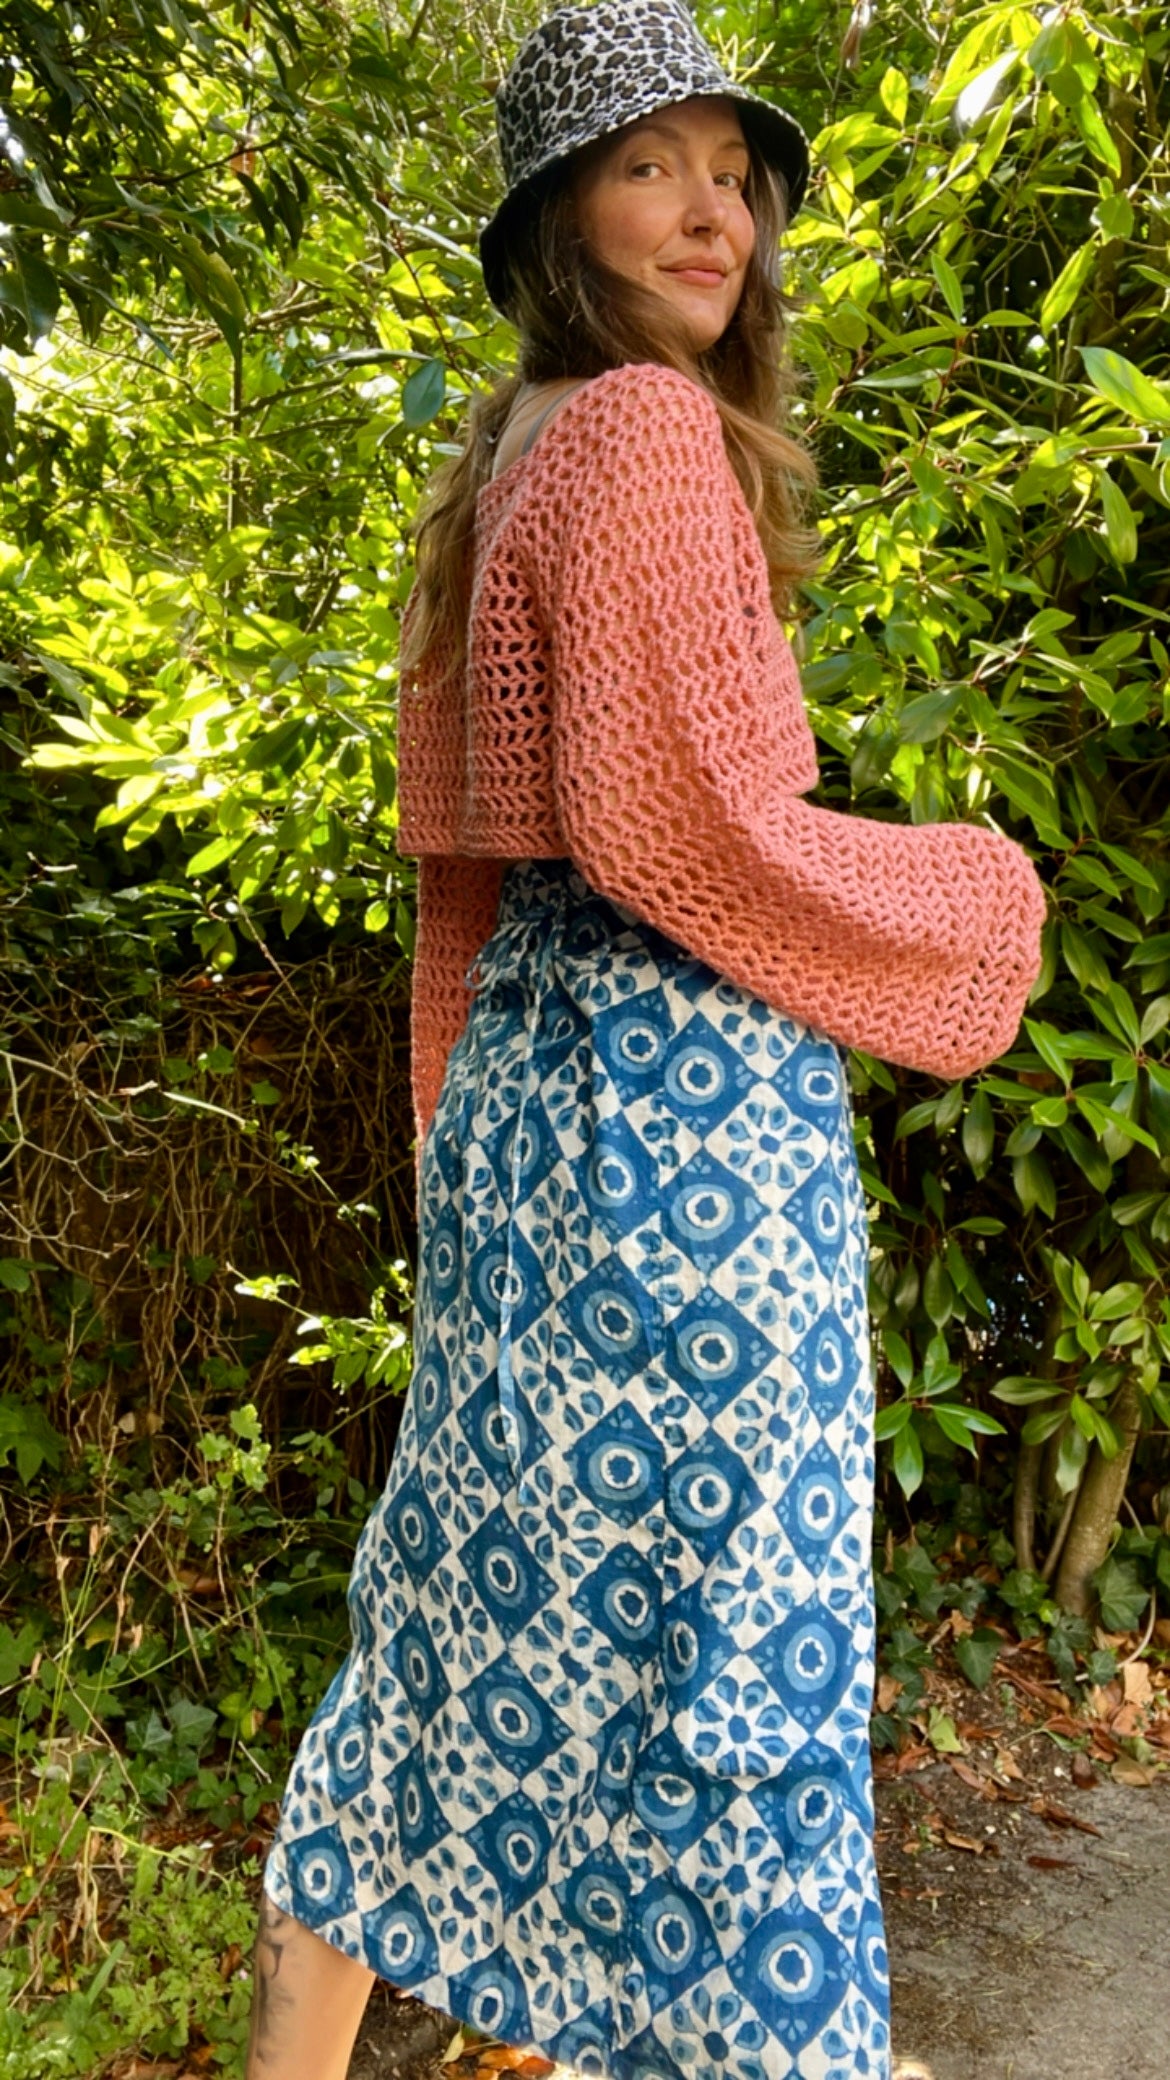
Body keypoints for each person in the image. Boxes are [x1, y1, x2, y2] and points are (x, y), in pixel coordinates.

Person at [249, 5, 1045, 2079]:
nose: (714, 214)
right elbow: (687, 830)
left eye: (731, 171)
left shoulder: (499, 457)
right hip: (684, 1128)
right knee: (735, 1658)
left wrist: (451, 1132)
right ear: (556, 220)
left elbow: (464, 873)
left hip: (533, 1121)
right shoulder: (638, 433)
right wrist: (974, 897)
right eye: (647, 167)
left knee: (457, 1628)